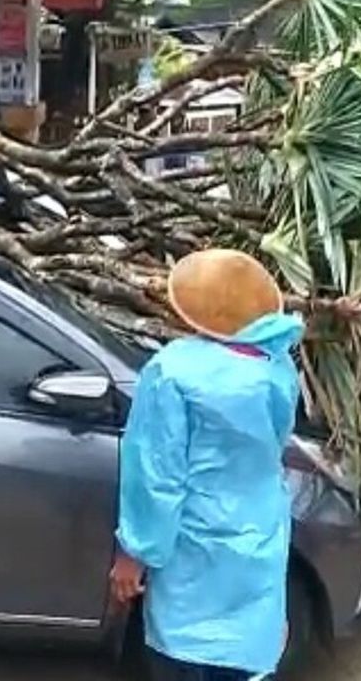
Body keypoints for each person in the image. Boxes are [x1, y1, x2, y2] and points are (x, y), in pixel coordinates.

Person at [109, 248, 304, 681]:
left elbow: (157, 476)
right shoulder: (279, 367)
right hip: (259, 546)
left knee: (181, 659)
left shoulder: (172, 370)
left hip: (192, 560)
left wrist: (134, 555)